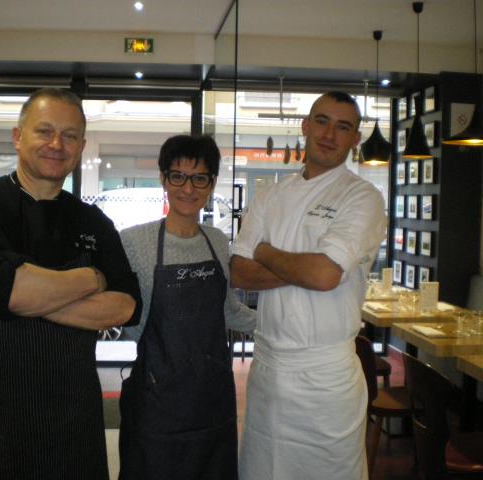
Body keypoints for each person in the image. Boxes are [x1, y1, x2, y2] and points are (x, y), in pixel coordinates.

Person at [0, 88, 142, 479]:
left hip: (79, 430)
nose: (57, 144)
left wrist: (28, 296)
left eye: (70, 135)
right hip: (8, 432)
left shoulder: (93, 221)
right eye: (45, 131)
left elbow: (125, 306)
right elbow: (15, 292)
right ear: (18, 136)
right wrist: (91, 278)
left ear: (82, 146)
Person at [231, 91, 387, 479]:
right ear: (305, 126)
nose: (330, 133)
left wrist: (264, 251)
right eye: (322, 121)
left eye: (344, 126)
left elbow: (323, 276)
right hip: (268, 371)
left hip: (326, 378)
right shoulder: (271, 195)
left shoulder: (362, 197)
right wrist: (309, 266)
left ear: (356, 139)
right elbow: (237, 271)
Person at [118, 135, 256, 480]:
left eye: (199, 178)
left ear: (211, 184)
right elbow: (124, 317)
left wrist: (287, 320)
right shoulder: (134, 241)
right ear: (163, 179)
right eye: (177, 176)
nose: (188, 188)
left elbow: (230, 311)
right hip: (155, 399)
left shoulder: (217, 240)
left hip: (211, 398)